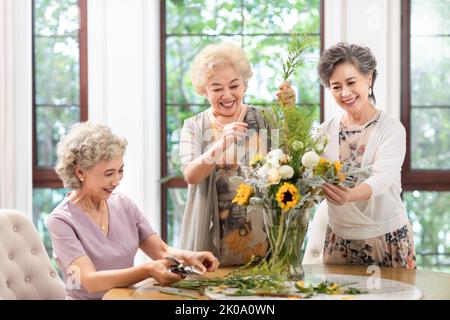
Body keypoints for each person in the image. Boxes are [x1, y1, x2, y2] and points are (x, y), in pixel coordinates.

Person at [47, 122, 219, 300]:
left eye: (120, 171)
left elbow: (161, 251)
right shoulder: (61, 221)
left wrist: (192, 257)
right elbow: (90, 282)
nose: (116, 181)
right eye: (109, 174)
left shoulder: (123, 204)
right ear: (81, 172)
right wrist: (147, 270)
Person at [179, 42, 295, 266]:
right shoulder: (194, 126)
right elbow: (191, 175)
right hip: (214, 237)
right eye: (216, 88)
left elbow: (289, 162)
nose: (227, 95)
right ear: (204, 90)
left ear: (244, 85)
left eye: (234, 85)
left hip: (264, 236)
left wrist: (289, 111)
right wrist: (220, 144)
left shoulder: (264, 119)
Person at [315, 42, 416, 268]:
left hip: (387, 239)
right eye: (336, 86)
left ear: (368, 79)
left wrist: (348, 195)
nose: (345, 93)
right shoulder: (324, 132)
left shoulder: (391, 129)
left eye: (351, 82)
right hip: (338, 240)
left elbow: (383, 178)